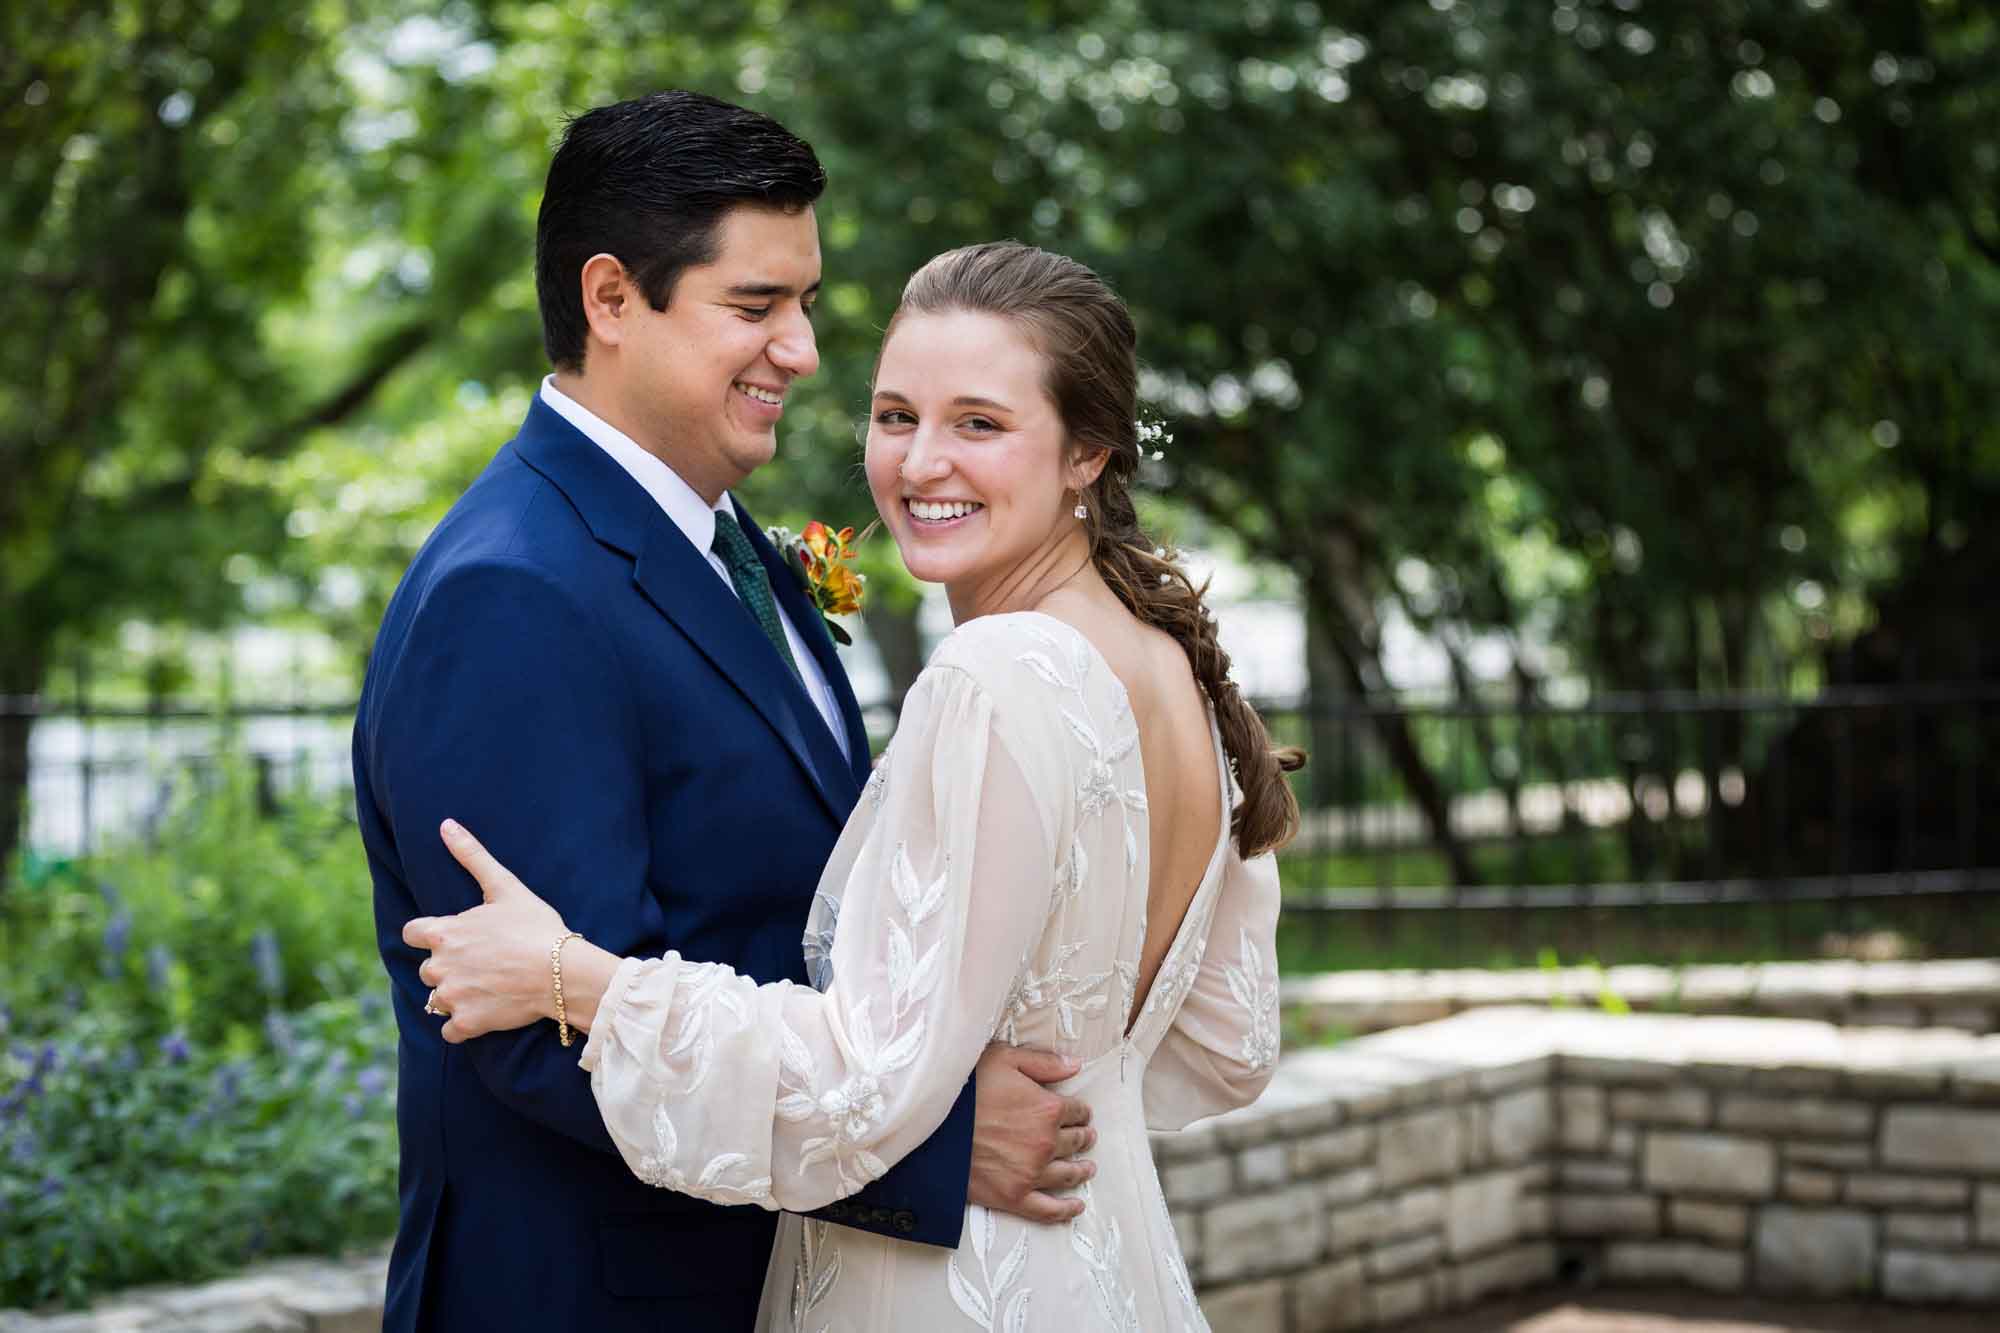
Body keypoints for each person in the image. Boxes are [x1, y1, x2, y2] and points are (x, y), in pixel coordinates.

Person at [407, 240, 1302, 1329]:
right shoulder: (1171, 667)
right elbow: (1226, 1046)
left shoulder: (998, 671)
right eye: (893, 417)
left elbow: (858, 1084)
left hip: (950, 1287)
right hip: (1101, 1264)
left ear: (1086, 454)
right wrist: (1070, 1087)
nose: (921, 462)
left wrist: (571, 978)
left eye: (978, 423)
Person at [352, 94, 1094, 1333]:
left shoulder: (721, 542)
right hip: (598, 1296)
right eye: (754, 308)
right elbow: (532, 1031)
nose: (801, 351)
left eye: (803, 304)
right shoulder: (512, 592)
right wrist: (926, 1142)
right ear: (609, 299)